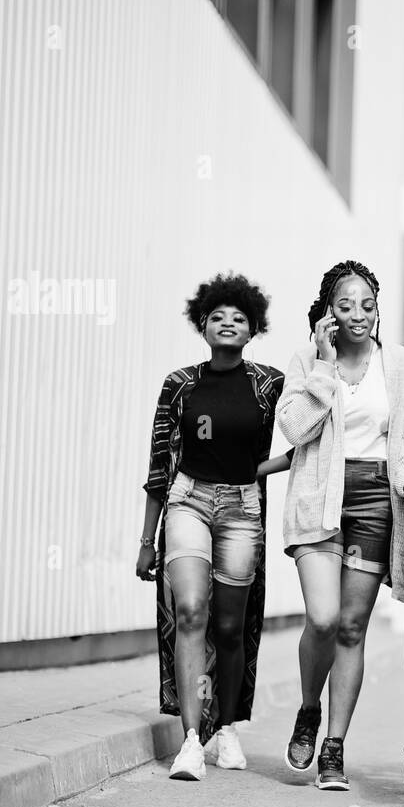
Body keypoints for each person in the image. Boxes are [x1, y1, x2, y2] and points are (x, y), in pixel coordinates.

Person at [276, 260, 404, 792]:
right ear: (327, 313)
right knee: (321, 618)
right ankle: (308, 708)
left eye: (367, 305)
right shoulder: (305, 361)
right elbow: (296, 428)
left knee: (351, 626)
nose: (358, 315)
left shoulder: (402, 365)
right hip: (321, 498)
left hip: (375, 504)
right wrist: (324, 366)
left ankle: (334, 748)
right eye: (345, 305)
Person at [137, 273, 285, 781]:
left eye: (238, 318)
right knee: (191, 611)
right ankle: (192, 740)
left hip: (242, 510)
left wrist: (254, 474)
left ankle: (228, 729)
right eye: (217, 317)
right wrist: (145, 541)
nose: (227, 323)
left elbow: (305, 437)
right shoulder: (180, 384)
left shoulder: (270, 384)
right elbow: (159, 464)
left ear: (253, 330)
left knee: (229, 625)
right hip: (188, 502)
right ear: (203, 325)